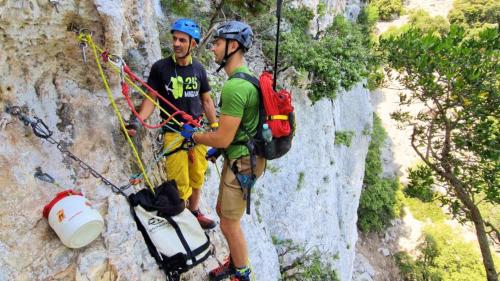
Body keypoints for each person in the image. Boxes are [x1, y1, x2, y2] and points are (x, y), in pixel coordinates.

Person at [180, 21, 265, 281]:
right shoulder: (247, 79)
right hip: (242, 157)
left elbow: (222, 136)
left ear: (233, 45)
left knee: (229, 222)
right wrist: (219, 149)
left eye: (217, 43)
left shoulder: (235, 87)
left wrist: (194, 135)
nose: (213, 48)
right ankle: (237, 262)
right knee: (222, 211)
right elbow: (240, 129)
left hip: (243, 162)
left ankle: (241, 273)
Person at [127, 18, 218, 230]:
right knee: (180, 182)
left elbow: (206, 100)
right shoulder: (161, 68)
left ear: (193, 44)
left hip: (197, 132)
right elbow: (152, 98)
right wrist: (139, 121)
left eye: (182, 40)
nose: (176, 44)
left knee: (197, 177)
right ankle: (183, 219)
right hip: (174, 132)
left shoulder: (199, 69)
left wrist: (215, 130)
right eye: (175, 39)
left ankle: (195, 213)